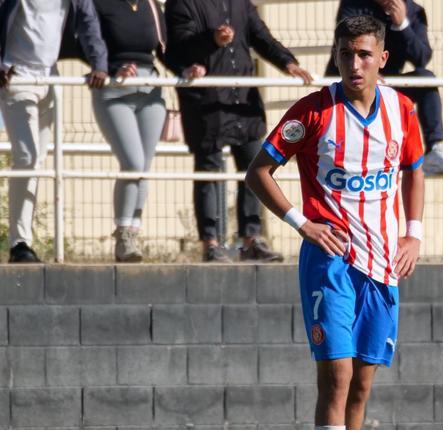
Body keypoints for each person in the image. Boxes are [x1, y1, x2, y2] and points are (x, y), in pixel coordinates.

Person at [245, 15, 424, 430]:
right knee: (337, 374)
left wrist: (414, 234)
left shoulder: (402, 109)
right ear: (337, 56)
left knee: (363, 383)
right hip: (332, 263)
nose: (354, 63)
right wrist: (302, 224)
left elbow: (413, 170)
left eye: (364, 54)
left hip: (384, 263)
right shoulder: (314, 112)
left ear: (382, 58)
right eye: (346, 54)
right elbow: (258, 172)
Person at [165, 0, 313, 262]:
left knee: (255, 166)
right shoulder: (182, 4)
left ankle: (251, 240)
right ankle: (211, 243)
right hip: (206, 102)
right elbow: (177, 49)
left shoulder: (240, 4)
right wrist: (212, 40)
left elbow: (261, 37)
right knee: (209, 171)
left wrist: (287, 62)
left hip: (243, 100)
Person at [0, 0, 108, 263]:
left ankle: (24, 239)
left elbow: (88, 21)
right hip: (15, 75)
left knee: (39, 160)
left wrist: (99, 63)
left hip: (50, 77)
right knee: (27, 158)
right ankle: (19, 243)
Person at [327, 0, 443, 176]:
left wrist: (402, 25)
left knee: (426, 78)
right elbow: (347, 44)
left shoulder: (413, 11)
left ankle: (434, 150)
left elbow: (421, 58)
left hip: (388, 85)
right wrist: (370, 74)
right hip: (349, 82)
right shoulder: (353, 4)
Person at [91, 0, 168, 262]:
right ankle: (123, 233)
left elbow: (165, 50)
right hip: (114, 88)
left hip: (150, 87)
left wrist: (191, 68)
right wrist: (110, 67)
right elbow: (87, 41)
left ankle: (134, 233)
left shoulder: (151, 5)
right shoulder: (100, 4)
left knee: (144, 168)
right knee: (133, 164)